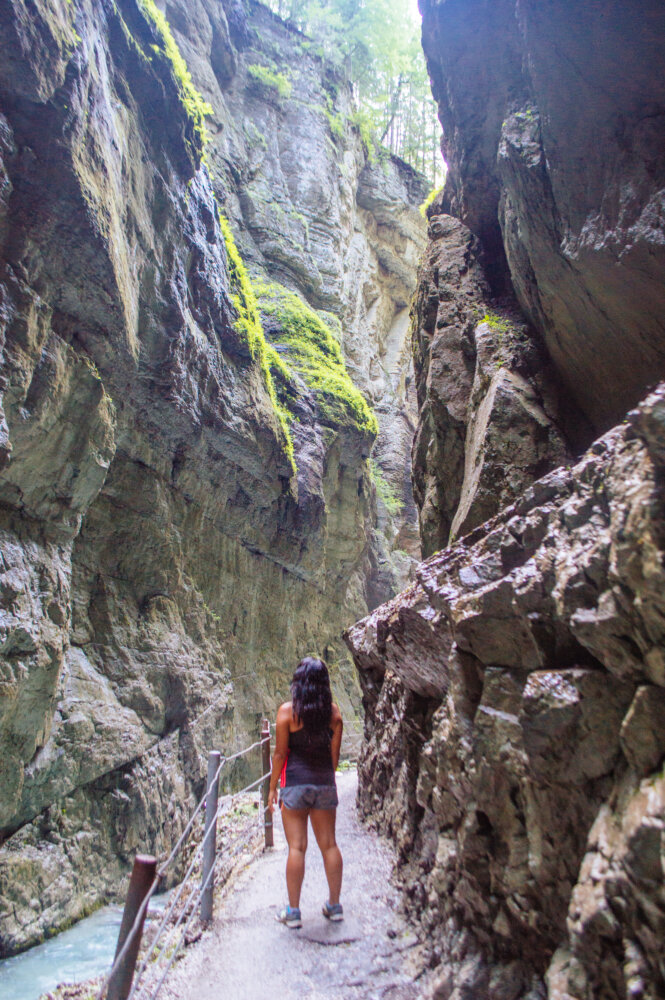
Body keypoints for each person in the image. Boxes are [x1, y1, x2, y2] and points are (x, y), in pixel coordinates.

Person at [267, 656, 344, 929]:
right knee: (329, 845)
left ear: (298, 682)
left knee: (297, 847)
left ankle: (293, 912)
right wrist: (324, 780)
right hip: (324, 784)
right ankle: (334, 906)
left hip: (295, 786)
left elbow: (279, 754)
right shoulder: (334, 715)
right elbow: (334, 759)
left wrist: (272, 788)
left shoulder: (286, 713)